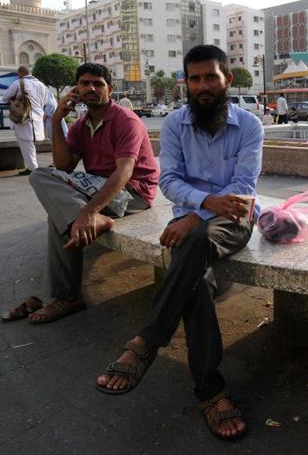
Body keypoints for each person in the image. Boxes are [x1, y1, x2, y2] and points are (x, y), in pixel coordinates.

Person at [95, 45, 263, 441]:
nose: (202, 86)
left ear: (228, 81)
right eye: (195, 78)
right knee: (197, 283)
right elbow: (169, 180)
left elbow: (242, 187)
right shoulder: (174, 124)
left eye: (210, 77)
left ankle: (147, 340)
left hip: (235, 218)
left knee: (196, 239)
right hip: (190, 222)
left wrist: (198, 214)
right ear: (185, 82)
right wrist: (200, 207)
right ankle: (211, 391)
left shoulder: (250, 125)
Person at [1, 63, 159, 324]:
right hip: (97, 186)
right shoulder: (80, 125)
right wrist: (56, 120)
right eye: (85, 83)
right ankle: (64, 295)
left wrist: (89, 212)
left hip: (132, 193)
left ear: (110, 89)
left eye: (98, 84)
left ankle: (60, 295)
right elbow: (64, 166)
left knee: (61, 217)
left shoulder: (125, 121)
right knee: (41, 177)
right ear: (76, 89)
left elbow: (124, 173)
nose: (91, 88)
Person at [2, 66, 50, 175]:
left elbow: (5, 97)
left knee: (25, 143)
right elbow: (46, 102)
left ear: (21, 73)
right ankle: (32, 167)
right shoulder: (42, 86)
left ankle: (34, 169)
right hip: (37, 118)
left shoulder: (19, 83)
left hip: (24, 117)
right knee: (30, 144)